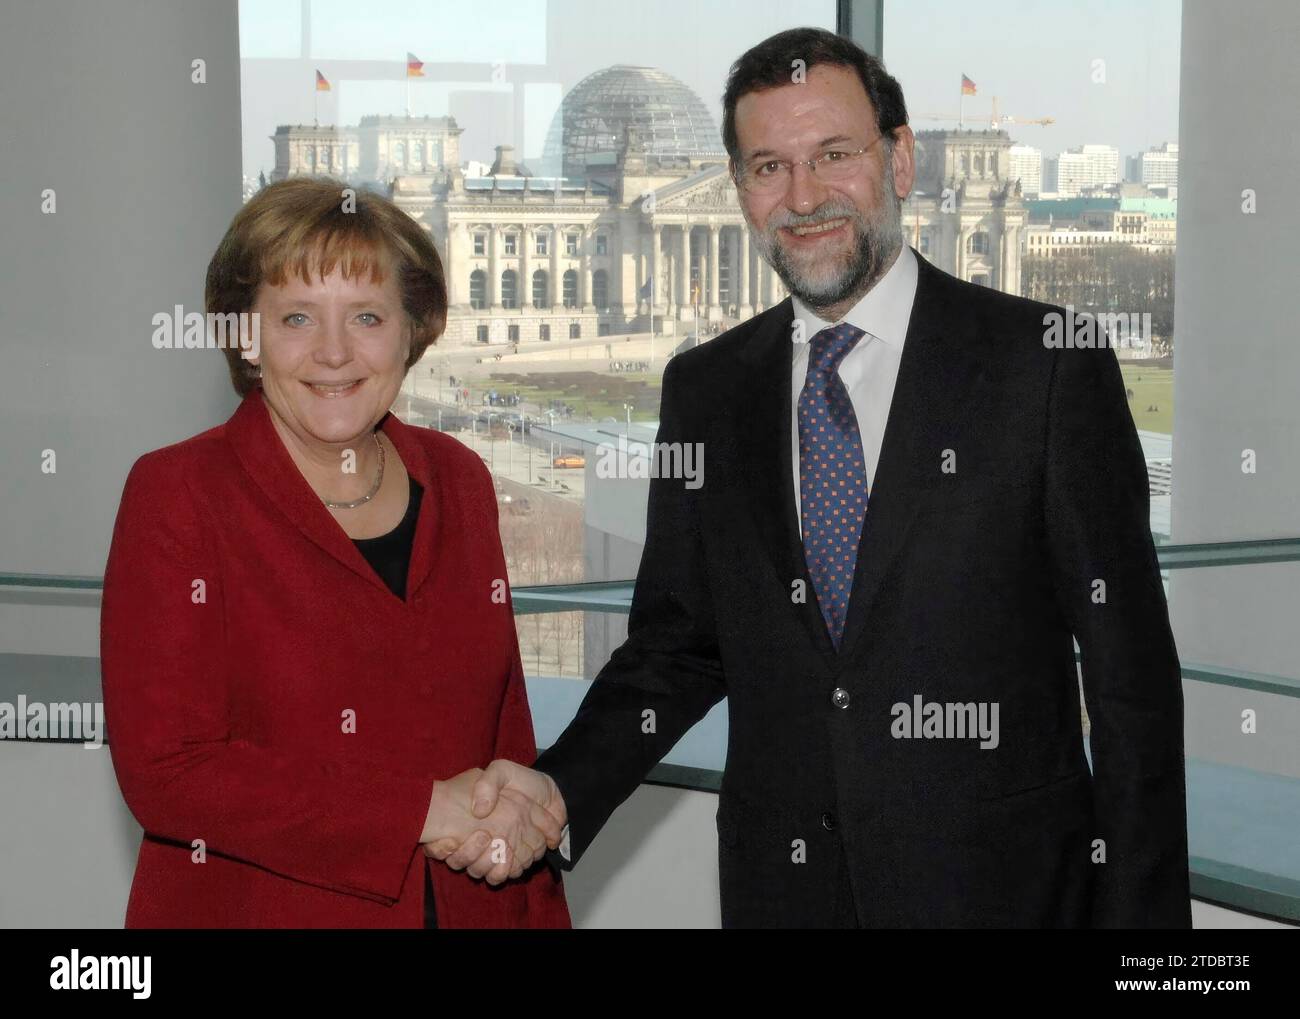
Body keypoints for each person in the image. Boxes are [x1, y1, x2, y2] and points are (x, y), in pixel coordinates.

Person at [438, 27, 1191, 928]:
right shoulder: (707, 389)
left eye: (834, 154)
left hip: (1008, 895)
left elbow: (1131, 683)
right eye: (768, 166)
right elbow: (677, 647)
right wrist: (560, 787)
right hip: (785, 896)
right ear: (740, 191)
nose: (803, 196)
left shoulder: (1045, 367)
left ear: (900, 159)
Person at [100, 177, 569, 928]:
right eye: (295, 317)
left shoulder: (459, 480)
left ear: (413, 330)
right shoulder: (179, 494)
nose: (334, 352)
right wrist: (418, 811)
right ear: (245, 337)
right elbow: (170, 771)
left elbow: (504, 733)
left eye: (367, 316)